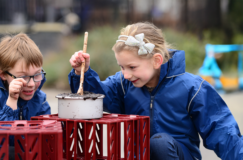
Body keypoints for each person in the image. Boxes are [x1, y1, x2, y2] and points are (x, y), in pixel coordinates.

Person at [68, 22, 243, 160]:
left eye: (132, 67)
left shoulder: (193, 88)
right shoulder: (123, 83)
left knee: (159, 144)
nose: (126, 74)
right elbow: (96, 97)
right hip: (136, 154)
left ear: (157, 60)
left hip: (176, 154)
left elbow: (222, 132)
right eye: (121, 67)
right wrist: (81, 72)